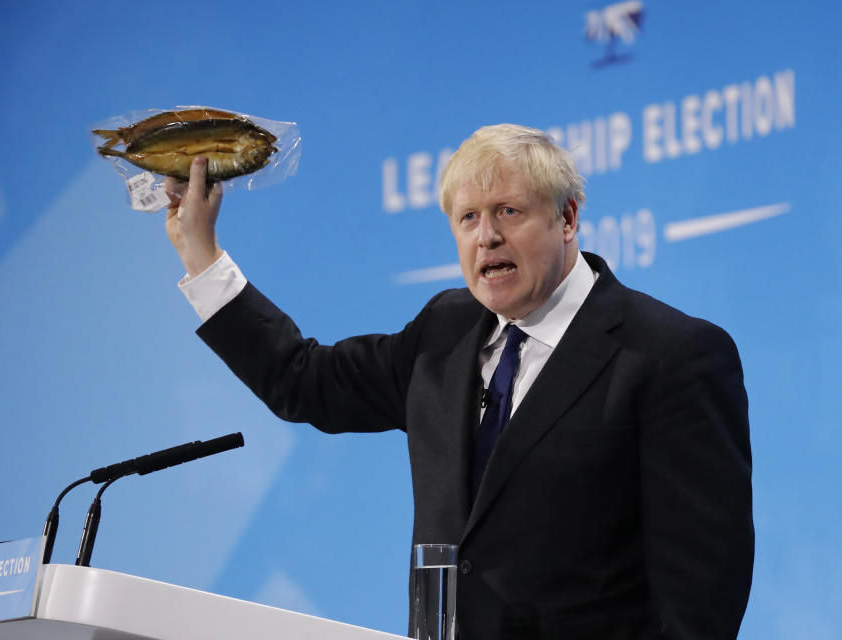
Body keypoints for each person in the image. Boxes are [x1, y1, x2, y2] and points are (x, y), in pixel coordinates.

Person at [164, 125, 753, 640]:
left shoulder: (670, 355)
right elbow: (303, 380)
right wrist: (202, 255)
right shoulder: (443, 333)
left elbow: (701, 599)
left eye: (509, 211)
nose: (486, 237)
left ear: (568, 217)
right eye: (468, 218)